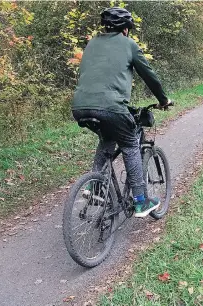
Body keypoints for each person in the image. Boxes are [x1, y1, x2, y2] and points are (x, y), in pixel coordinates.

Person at [71, 7, 172, 218]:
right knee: (130, 144)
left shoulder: (91, 44)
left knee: (107, 140)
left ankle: (93, 187)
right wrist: (163, 100)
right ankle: (141, 202)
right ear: (126, 29)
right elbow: (149, 75)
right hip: (112, 107)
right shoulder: (129, 45)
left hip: (80, 107)